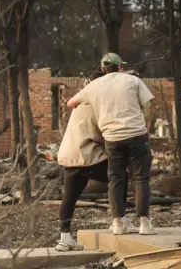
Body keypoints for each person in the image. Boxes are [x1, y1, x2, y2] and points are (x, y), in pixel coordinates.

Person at [67, 53, 156, 235]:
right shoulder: (133, 81)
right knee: (140, 178)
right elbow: (148, 106)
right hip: (137, 135)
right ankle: (144, 224)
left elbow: (70, 103)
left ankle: (117, 223)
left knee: (116, 178)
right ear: (120, 67)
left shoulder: (94, 86)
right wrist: (146, 126)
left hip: (112, 138)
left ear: (102, 69)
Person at [55, 70, 135, 251]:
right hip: (87, 154)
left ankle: (64, 238)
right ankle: (119, 220)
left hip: (70, 155)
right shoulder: (99, 103)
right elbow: (106, 133)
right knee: (120, 177)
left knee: (69, 197)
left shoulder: (81, 102)